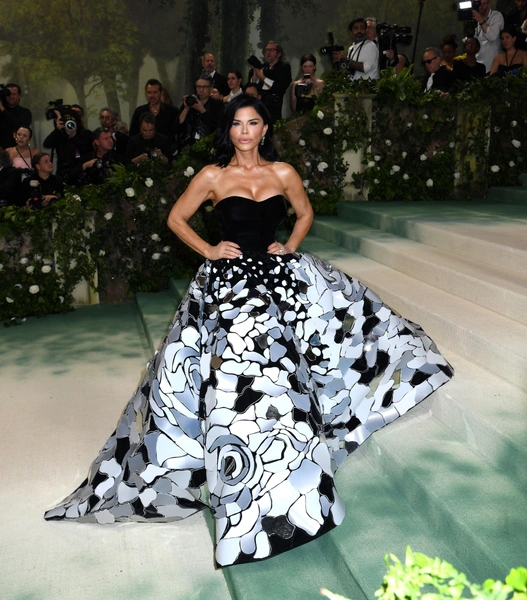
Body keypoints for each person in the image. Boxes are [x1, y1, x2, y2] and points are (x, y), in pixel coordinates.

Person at [44, 94, 453, 568]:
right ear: (229, 130)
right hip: (231, 291)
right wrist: (209, 249)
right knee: (245, 385)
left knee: (304, 370)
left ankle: (297, 480)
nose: (244, 131)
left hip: (282, 284)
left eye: (252, 122)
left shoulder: (283, 173)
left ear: (264, 128)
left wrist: (291, 244)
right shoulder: (212, 176)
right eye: (236, 123)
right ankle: (249, 496)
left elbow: (304, 213)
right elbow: (175, 218)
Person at [175, 75, 224, 154]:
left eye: (204, 87)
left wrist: (202, 110)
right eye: (198, 87)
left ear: (211, 88)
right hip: (188, 146)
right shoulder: (190, 102)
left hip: (209, 146)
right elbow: (177, 126)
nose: (201, 90)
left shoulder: (218, 105)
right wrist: (186, 109)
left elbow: (217, 127)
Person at [248, 41, 292, 123]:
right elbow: (252, 88)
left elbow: (279, 88)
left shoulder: (284, 67)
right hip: (258, 110)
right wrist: (255, 78)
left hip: (273, 111)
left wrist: (262, 77)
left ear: (279, 54)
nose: (268, 53)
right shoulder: (263, 67)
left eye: (271, 50)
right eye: (266, 50)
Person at [43, 109, 93, 179]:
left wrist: (73, 135)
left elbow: (87, 149)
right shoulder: (60, 135)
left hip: (81, 174)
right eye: (66, 121)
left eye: (72, 120)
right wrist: (57, 129)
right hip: (63, 175)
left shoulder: (85, 134)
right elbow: (47, 144)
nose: (70, 123)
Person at [129, 79, 179, 144]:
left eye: (155, 92)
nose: (152, 95)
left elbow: (178, 131)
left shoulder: (172, 111)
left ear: (161, 93)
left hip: (167, 148)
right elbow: (133, 135)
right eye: (149, 92)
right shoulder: (139, 112)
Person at [473, 0, 505, 73]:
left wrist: (481, 20)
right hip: (478, 62)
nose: (480, 6)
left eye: (483, 4)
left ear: (489, 4)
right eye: (478, 3)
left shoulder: (496, 16)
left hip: (492, 64)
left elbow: (492, 37)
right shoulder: (475, 18)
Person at [0, 83, 32, 150]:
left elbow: (19, 125)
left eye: (14, 94)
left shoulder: (25, 112)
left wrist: (2, 109)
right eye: (8, 94)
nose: (11, 96)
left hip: (18, 151)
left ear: (19, 96)